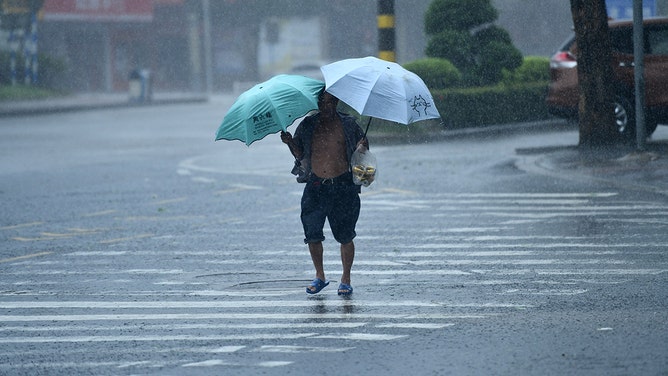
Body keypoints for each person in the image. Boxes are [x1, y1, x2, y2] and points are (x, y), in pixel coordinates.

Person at [281, 90, 368, 296]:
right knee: (312, 233)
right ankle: (320, 276)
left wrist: (362, 145)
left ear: (336, 102)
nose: (325, 106)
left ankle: (345, 279)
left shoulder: (348, 124)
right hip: (316, 185)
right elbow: (300, 153)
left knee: (346, 235)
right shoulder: (309, 124)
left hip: (343, 186)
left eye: (329, 102)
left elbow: (362, 147)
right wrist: (290, 143)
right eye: (321, 102)